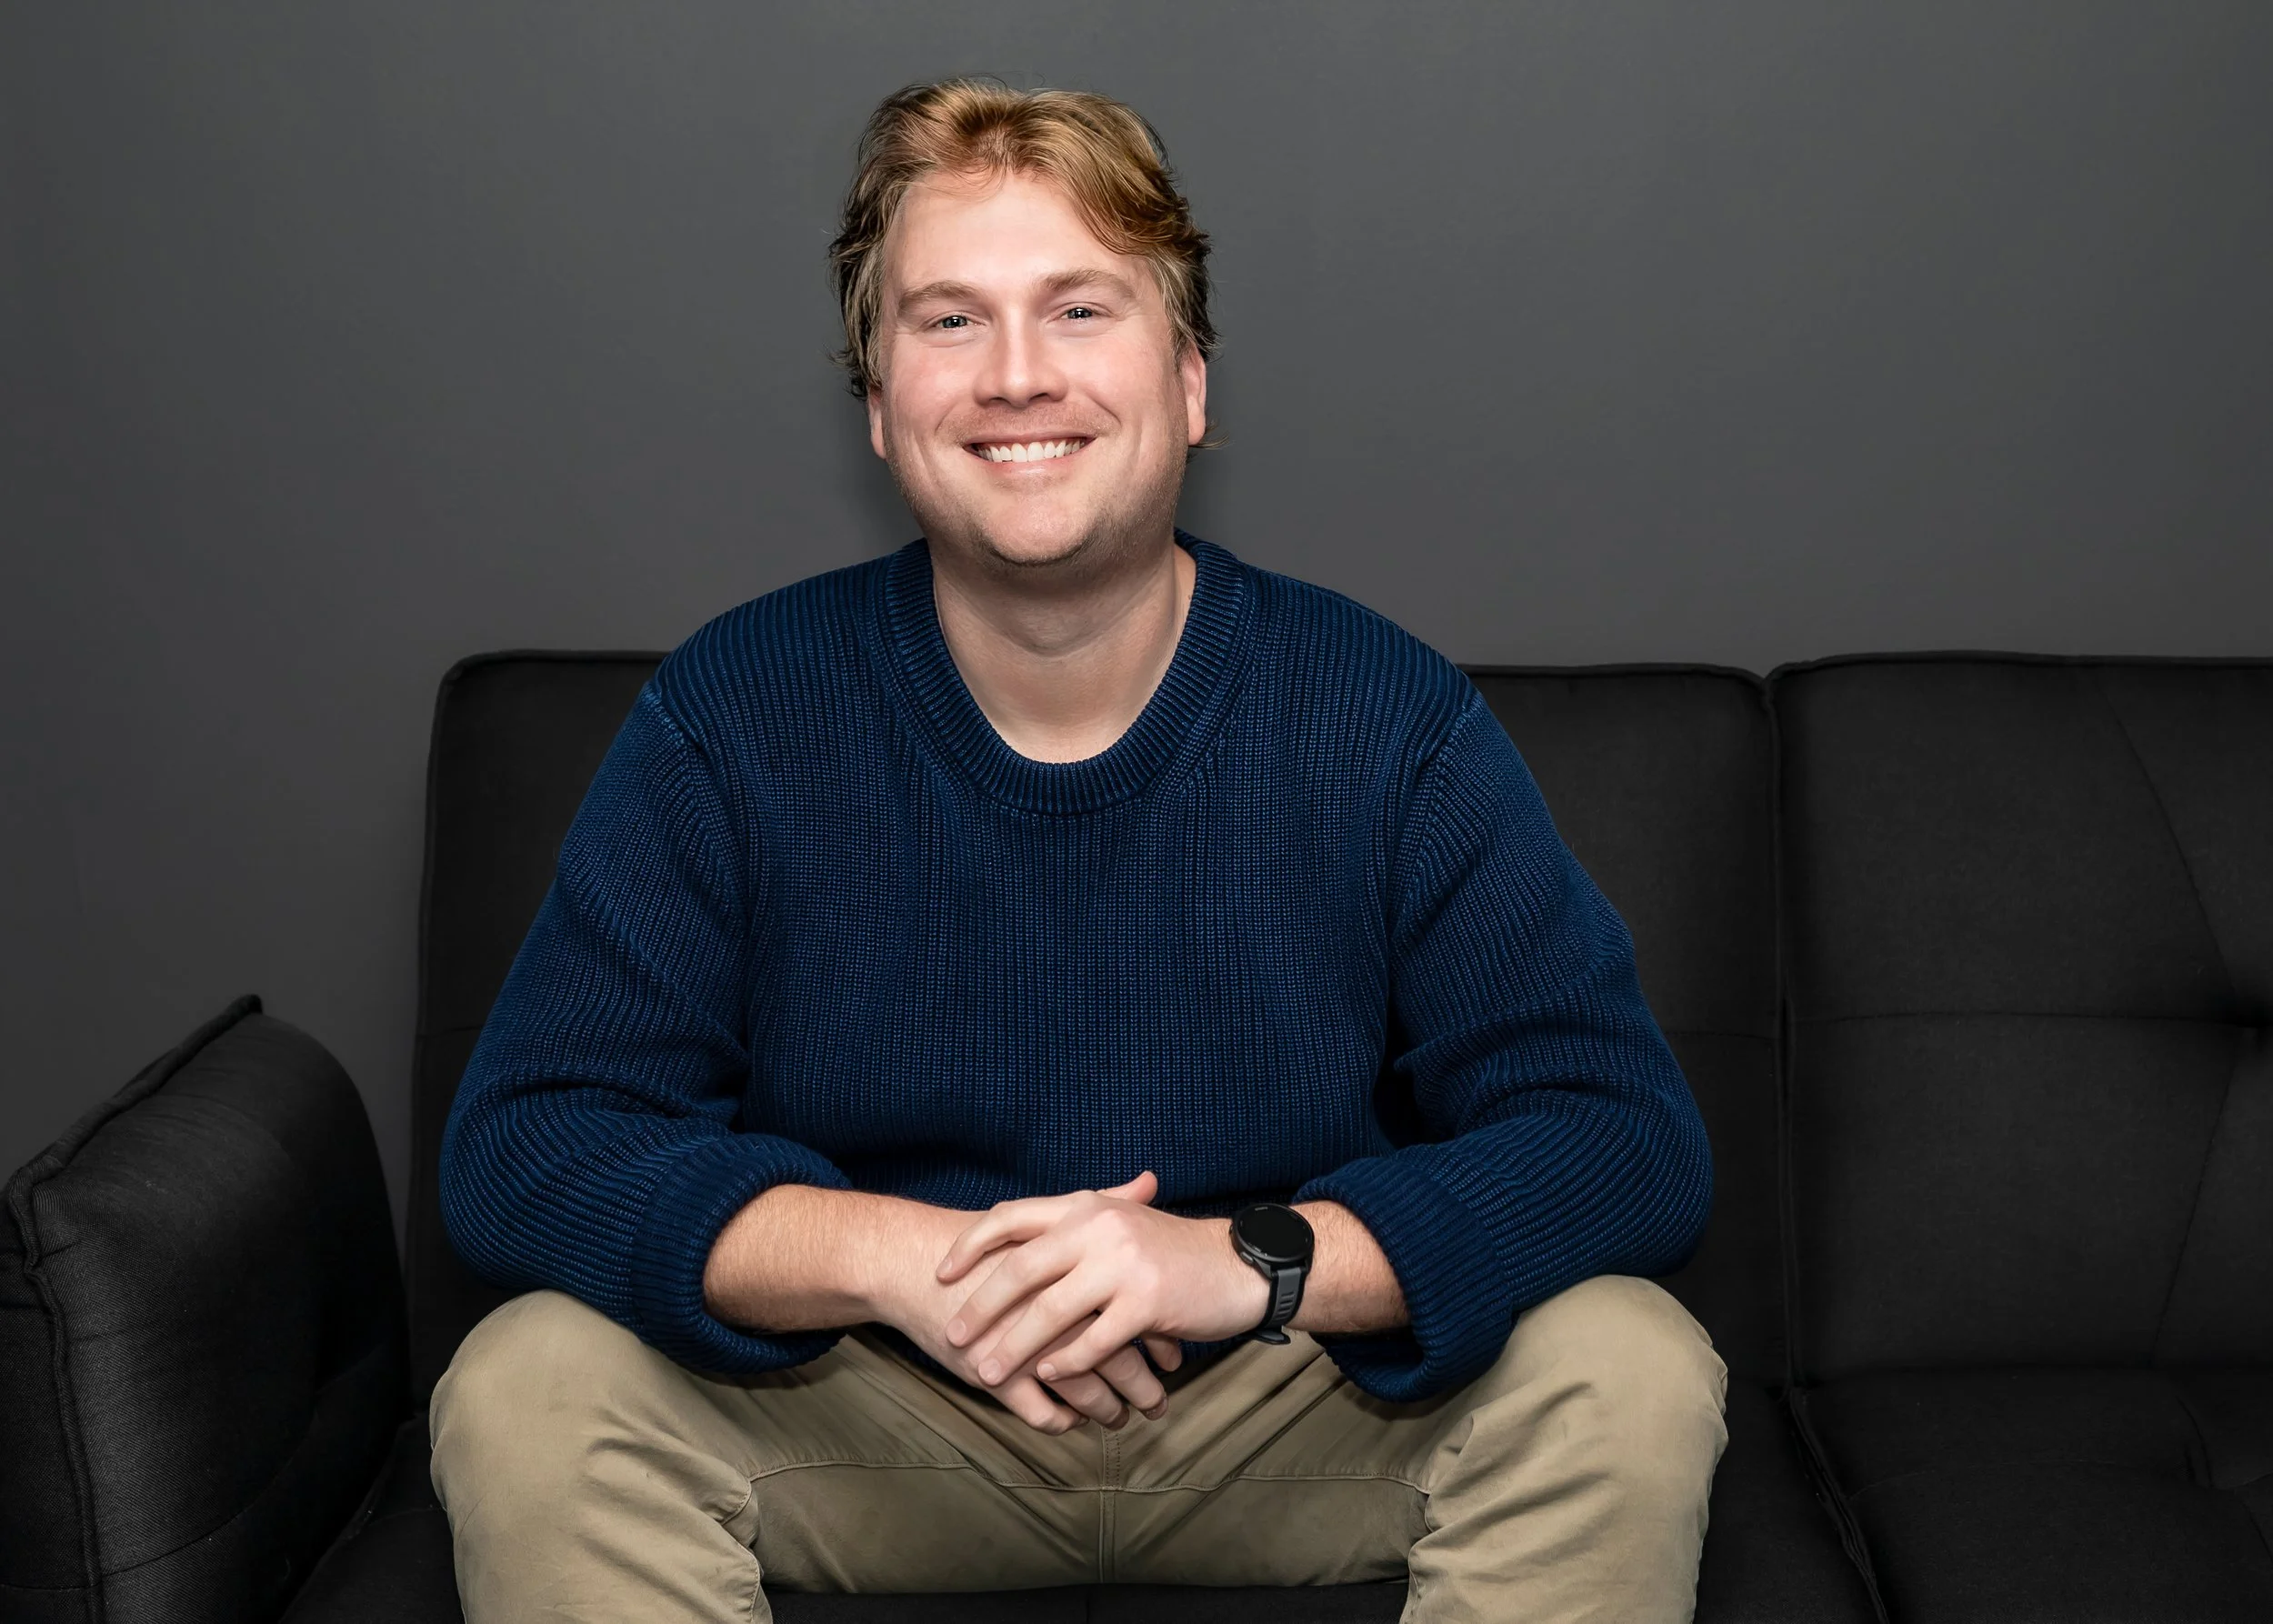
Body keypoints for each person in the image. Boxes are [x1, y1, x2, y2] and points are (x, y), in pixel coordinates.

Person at [431, 77, 1726, 1624]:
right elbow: (527, 1143)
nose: (1017, 376)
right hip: (870, 1413)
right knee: (528, 1383)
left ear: (1188, 379)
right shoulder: (736, 712)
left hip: (1294, 1399)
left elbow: (1623, 1136)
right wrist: (908, 1258)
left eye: (1080, 309)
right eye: (950, 320)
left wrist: (1232, 1261)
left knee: (1627, 1362)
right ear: (878, 401)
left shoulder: (1383, 715)